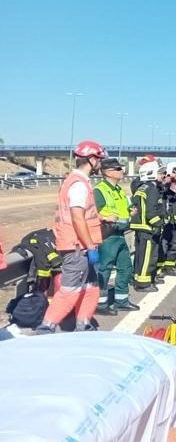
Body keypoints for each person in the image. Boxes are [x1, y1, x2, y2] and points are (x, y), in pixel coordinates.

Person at [35, 140, 107, 334]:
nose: (100, 163)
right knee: (70, 290)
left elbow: (84, 214)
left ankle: (83, 324)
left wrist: (102, 217)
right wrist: (90, 246)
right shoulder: (78, 184)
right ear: (92, 159)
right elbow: (77, 217)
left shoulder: (80, 182)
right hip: (78, 247)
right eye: (99, 159)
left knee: (91, 287)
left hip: (81, 245)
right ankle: (47, 326)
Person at [93, 157, 139, 314]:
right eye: (118, 169)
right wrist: (105, 217)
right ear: (107, 172)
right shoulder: (99, 191)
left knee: (126, 268)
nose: (122, 171)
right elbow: (93, 213)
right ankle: (100, 304)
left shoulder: (119, 191)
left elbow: (126, 207)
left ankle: (121, 301)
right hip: (107, 236)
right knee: (104, 270)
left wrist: (131, 211)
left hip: (120, 234)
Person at [130, 159, 166, 292]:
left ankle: (139, 278)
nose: (162, 176)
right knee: (147, 256)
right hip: (148, 228)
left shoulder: (141, 188)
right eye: (160, 173)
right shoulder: (152, 190)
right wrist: (158, 223)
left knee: (140, 255)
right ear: (151, 174)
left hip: (140, 227)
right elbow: (151, 211)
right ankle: (143, 284)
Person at [158, 162, 176, 275]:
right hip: (166, 219)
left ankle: (169, 266)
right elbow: (161, 191)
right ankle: (159, 266)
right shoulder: (164, 185)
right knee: (164, 243)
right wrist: (168, 181)